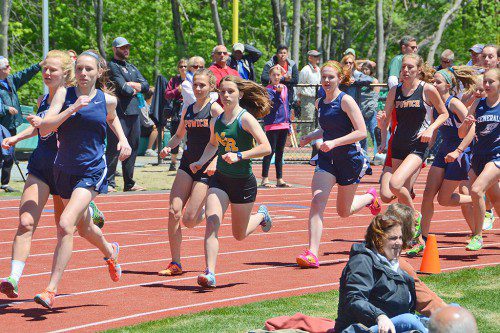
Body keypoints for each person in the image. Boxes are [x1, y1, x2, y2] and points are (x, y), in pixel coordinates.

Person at [28, 50, 131, 309]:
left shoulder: (108, 100)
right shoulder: (65, 94)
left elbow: (112, 117)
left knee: (65, 225)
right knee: (85, 228)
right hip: (63, 168)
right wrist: (72, 109)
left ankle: (50, 290)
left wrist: (123, 139)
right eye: (81, 69)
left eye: (89, 69)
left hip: (92, 170)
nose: (84, 74)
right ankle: (110, 252)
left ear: (98, 73)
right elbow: (46, 127)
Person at [0, 50, 105, 299]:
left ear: (65, 72)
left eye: (52, 70)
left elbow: (56, 123)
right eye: (45, 68)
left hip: (64, 169)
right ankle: (13, 278)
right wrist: (17, 136)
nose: (46, 73)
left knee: (78, 227)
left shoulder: (72, 96)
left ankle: (106, 245)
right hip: (41, 166)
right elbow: (40, 126)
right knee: (26, 222)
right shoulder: (43, 98)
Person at [295, 61, 381, 269]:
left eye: (330, 77)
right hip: (326, 160)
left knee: (344, 211)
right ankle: (312, 253)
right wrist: (311, 136)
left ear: (340, 78)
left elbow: (361, 132)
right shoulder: (320, 103)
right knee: (317, 201)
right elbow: (327, 128)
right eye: (323, 77)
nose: (326, 81)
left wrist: (335, 142)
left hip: (349, 160)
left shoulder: (347, 101)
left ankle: (371, 197)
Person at [190, 75, 273, 288]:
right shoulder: (216, 120)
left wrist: (240, 155)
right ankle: (210, 273)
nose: (225, 95)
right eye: (222, 91)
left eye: (230, 91)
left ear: (240, 94)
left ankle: (262, 215)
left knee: (239, 234)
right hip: (220, 180)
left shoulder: (245, 119)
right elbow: (212, 144)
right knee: (212, 222)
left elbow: (266, 147)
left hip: (243, 182)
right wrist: (200, 161)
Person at [157, 69, 223, 277]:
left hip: (206, 166)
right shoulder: (188, 109)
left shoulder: (215, 110)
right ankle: (175, 262)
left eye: (202, 85)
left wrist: (216, 161)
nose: (198, 88)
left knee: (190, 220)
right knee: (172, 212)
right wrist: (168, 147)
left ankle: (200, 211)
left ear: (211, 87)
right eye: (195, 85)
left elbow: (225, 139)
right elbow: (178, 136)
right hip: (187, 163)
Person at [408, 67, 477, 256]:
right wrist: (427, 149)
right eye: (433, 81)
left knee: (444, 199)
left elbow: (472, 128)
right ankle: (422, 238)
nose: (434, 84)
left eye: (437, 82)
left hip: (459, 153)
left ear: (448, 85)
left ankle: (477, 199)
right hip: (443, 151)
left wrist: (459, 150)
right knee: (428, 193)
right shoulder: (435, 103)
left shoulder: (454, 103)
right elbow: (435, 128)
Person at [382, 54, 448, 236]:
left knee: (395, 184)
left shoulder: (427, 89)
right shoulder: (395, 90)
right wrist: (382, 134)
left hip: (418, 145)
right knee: (401, 193)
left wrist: (430, 129)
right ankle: (415, 239)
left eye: (410, 67)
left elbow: (444, 114)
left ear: (419, 70)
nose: (406, 71)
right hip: (398, 144)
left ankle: (414, 217)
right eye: (403, 67)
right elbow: (386, 117)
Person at [334, 214, 427, 333]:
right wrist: (379, 316)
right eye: (393, 238)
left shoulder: (394, 265)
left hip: (393, 325)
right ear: (377, 239)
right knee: (409, 320)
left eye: (400, 237)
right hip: (360, 328)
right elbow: (354, 299)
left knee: (449, 313)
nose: (399, 243)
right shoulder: (362, 261)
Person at [458, 68, 500, 251]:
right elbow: (462, 133)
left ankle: (477, 236)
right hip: (478, 157)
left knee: (476, 190)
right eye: (486, 82)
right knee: (496, 199)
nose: (487, 85)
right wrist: (465, 125)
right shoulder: (478, 104)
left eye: (492, 81)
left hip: (496, 156)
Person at [106, 36, 149, 192]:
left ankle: (129, 183)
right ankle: (109, 182)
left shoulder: (131, 67)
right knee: (114, 147)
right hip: (118, 113)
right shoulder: (112, 66)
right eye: (123, 47)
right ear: (115, 49)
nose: (126, 50)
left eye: (127, 47)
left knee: (132, 146)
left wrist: (134, 86)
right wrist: (133, 87)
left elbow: (146, 85)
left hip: (133, 111)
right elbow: (124, 89)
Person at [0, 56, 42, 192]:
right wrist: (6, 109)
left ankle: (5, 183)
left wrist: (39, 65)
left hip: (10, 125)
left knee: (9, 154)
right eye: (6, 67)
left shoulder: (10, 81)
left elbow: (25, 74)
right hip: (1, 125)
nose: (10, 68)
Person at [261, 65, 291, 188]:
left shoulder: (284, 87)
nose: (276, 77)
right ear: (270, 76)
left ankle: (279, 178)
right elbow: (272, 105)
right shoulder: (267, 90)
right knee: (270, 151)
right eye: (274, 75)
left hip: (283, 124)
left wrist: (288, 124)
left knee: (280, 152)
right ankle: (264, 178)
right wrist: (277, 93)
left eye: (278, 75)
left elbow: (286, 105)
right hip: (272, 124)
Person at [165, 58, 188, 170]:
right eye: (181, 66)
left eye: (185, 66)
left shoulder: (192, 79)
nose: (183, 68)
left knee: (190, 136)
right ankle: (173, 161)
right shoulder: (174, 80)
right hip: (177, 109)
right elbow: (167, 94)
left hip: (190, 108)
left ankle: (187, 160)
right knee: (175, 133)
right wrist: (177, 90)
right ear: (178, 68)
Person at [261, 45, 299, 110]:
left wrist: (276, 79)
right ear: (277, 54)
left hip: (288, 95)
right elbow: (264, 78)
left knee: (287, 114)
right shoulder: (269, 64)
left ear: (287, 54)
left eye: (284, 53)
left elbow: (296, 80)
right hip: (272, 95)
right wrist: (284, 79)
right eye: (280, 53)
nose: (282, 55)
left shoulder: (292, 64)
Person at [359, 62, 381, 165]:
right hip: (360, 111)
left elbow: (375, 96)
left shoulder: (374, 81)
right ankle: (364, 156)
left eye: (367, 69)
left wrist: (371, 109)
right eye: (363, 69)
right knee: (362, 135)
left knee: (374, 133)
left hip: (371, 111)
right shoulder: (359, 81)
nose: (364, 71)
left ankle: (378, 156)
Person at [296, 50, 321, 135]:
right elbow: (300, 84)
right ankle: (304, 139)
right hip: (307, 97)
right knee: (307, 119)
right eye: (315, 56)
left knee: (315, 119)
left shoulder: (318, 69)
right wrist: (299, 98)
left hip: (317, 97)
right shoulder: (305, 70)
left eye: (318, 56)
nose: (318, 58)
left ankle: (313, 140)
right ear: (310, 58)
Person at [140, 88, 158, 157]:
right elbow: (145, 119)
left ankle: (157, 148)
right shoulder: (142, 104)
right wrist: (153, 124)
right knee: (155, 129)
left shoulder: (151, 105)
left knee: (161, 127)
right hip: (143, 126)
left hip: (148, 125)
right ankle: (149, 149)